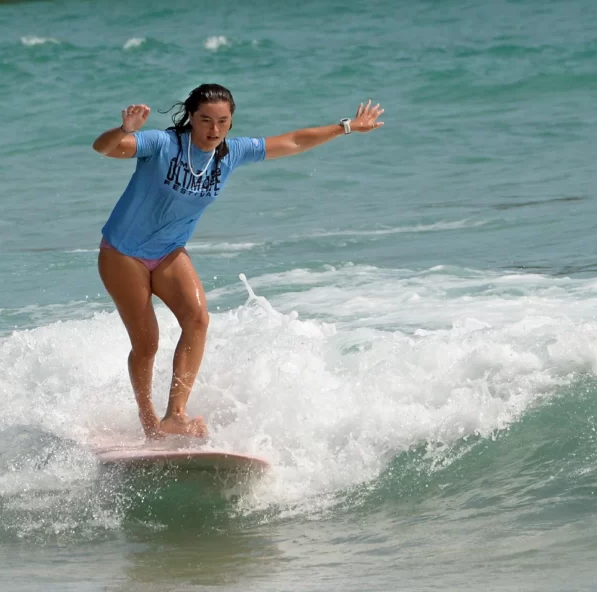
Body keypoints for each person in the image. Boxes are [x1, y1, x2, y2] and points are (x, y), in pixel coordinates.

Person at [92, 83, 383, 439]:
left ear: (231, 122)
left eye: (222, 121)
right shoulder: (162, 145)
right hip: (123, 253)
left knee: (197, 319)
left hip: (168, 252)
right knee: (147, 342)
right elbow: (104, 148)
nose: (214, 130)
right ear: (191, 118)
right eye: (205, 120)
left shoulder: (231, 153)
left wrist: (347, 126)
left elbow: (293, 141)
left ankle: (175, 415)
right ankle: (148, 420)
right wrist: (124, 131)